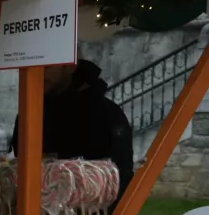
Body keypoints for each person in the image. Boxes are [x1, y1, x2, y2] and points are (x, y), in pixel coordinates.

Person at [9, 59, 135, 204]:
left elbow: (118, 177)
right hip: (35, 212)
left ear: (70, 66)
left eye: (47, 66)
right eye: (30, 67)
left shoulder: (104, 113)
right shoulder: (30, 112)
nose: (38, 73)